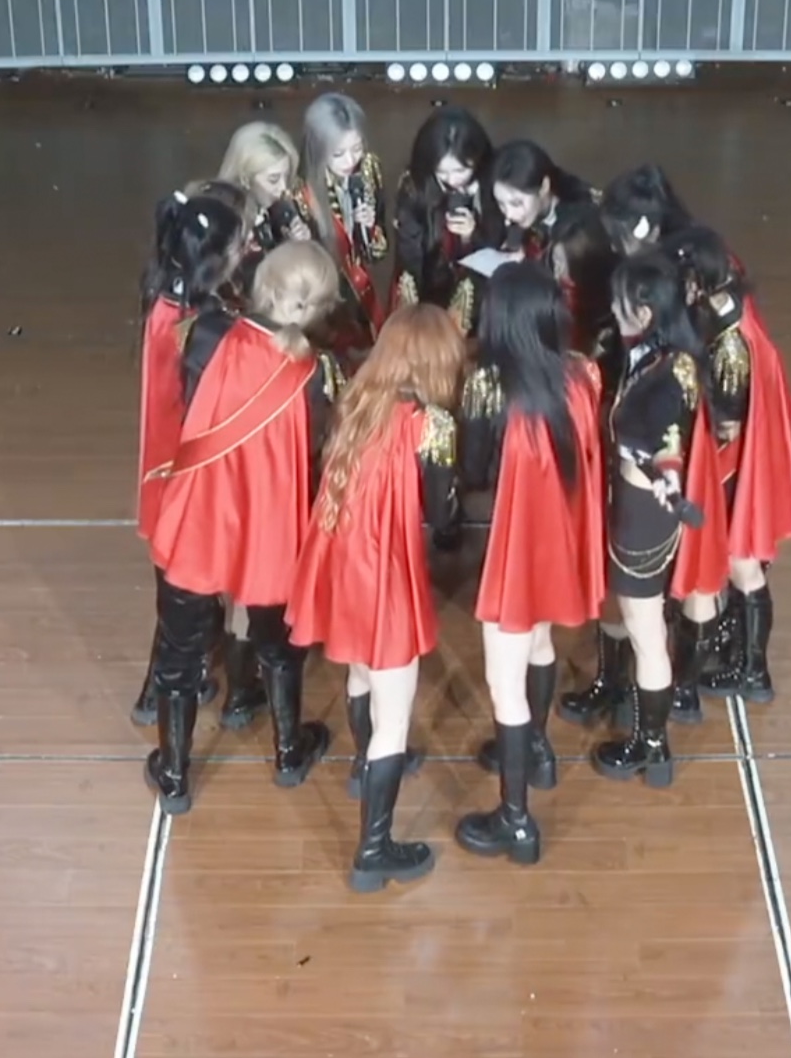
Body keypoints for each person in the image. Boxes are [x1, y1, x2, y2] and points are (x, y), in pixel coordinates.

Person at [143, 241, 344, 811]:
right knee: (278, 645)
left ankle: (174, 776)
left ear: (262, 284)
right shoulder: (314, 371)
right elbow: (314, 448)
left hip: (201, 516)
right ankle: (288, 751)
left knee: (180, 655)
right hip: (268, 524)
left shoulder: (208, 335)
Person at [288, 304, 466, 892]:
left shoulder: (358, 401)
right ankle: (374, 850)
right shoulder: (430, 426)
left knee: (360, 674)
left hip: (344, 567)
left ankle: (365, 766)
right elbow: (443, 516)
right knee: (396, 716)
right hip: (384, 576)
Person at [459, 263, 606, 865]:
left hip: (518, 548)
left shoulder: (490, 388)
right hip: (560, 543)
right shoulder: (581, 375)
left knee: (504, 684)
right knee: (541, 642)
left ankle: (516, 821)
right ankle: (537, 748)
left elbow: (472, 471)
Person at [130, 185, 265, 732]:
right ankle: (183, 692)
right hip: (186, 472)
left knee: (176, 600)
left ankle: (156, 693)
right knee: (188, 599)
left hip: (161, 468)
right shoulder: (199, 326)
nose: (247, 249)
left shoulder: (166, 295)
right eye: (239, 247)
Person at [592, 251, 716, 785]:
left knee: (645, 631)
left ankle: (651, 744)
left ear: (645, 312)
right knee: (633, 618)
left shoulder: (667, 377)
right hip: (635, 501)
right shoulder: (665, 356)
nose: (612, 310)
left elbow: (662, 438)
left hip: (643, 515)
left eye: (620, 304)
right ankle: (627, 703)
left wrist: (659, 466)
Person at [670, 226, 791, 706]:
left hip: (729, 463)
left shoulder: (728, 346)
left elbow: (726, 422)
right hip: (747, 455)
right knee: (744, 562)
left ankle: (744, 671)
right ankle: (751, 667)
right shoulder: (738, 313)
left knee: (735, 563)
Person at [390, 106, 494, 336]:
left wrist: (472, 236)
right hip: (429, 282)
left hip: (478, 293)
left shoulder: (491, 185)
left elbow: (499, 244)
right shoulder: (414, 188)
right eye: (443, 172)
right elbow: (410, 252)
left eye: (460, 170)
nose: (452, 180)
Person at [301, 93, 388, 359]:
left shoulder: (369, 169)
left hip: (365, 291)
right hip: (327, 300)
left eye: (357, 148)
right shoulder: (303, 193)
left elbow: (377, 254)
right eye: (338, 154)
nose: (350, 161)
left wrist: (369, 228)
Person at [216, 122, 313, 291]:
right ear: (245, 178)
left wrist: (297, 247)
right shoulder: (226, 224)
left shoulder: (277, 210)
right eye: (273, 180)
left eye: (286, 177)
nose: (283, 188)